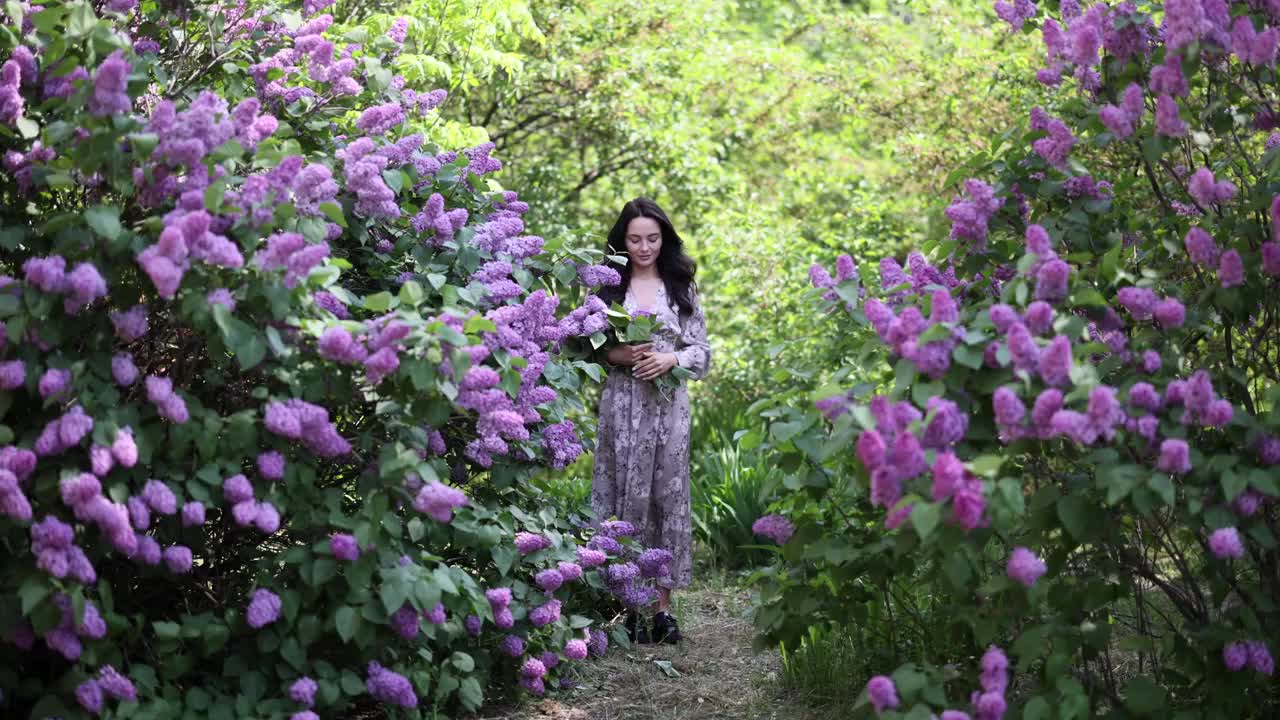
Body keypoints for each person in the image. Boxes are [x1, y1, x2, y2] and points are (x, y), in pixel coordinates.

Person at [591, 197, 711, 644]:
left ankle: (661, 611)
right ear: (622, 241)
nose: (644, 247)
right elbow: (583, 346)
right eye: (635, 238)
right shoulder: (607, 286)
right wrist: (616, 353)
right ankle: (623, 605)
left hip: (668, 406)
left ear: (665, 239)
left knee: (666, 496)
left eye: (653, 239)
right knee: (622, 492)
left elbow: (702, 353)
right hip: (622, 404)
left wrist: (670, 358)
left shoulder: (680, 286)